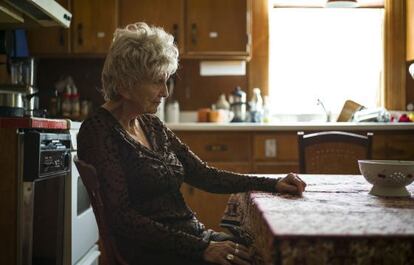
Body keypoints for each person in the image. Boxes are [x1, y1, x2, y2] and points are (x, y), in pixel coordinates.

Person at [77, 22, 306, 265]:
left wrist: (274, 183)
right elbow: (122, 219)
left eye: (166, 81)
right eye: (157, 81)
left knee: (265, 252)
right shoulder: (97, 132)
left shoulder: (151, 125)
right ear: (125, 84)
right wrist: (202, 249)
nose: (165, 92)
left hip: (192, 238)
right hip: (152, 252)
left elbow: (204, 174)